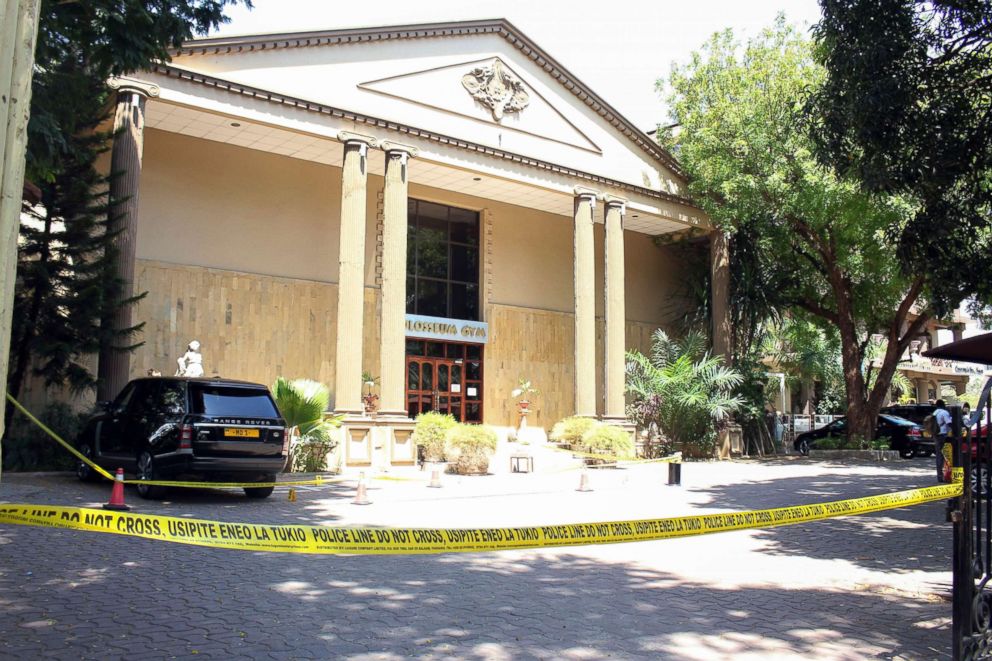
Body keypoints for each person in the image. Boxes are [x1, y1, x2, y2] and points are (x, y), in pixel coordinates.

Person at [933, 399, 952, 482]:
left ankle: (939, 476)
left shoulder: (934, 413)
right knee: (947, 455)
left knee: (939, 456)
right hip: (944, 435)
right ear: (943, 405)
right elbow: (949, 423)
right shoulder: (944, 413)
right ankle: (947, 475)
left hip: (936, 435)